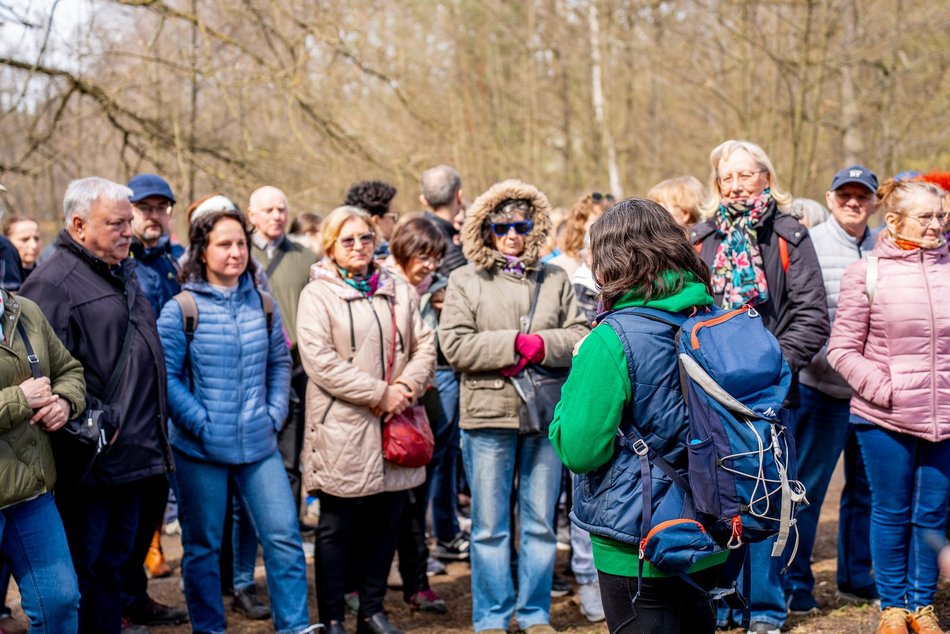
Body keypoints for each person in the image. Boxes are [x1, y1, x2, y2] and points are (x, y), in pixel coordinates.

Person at [550, 197, 729, 633]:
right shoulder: (714, 319)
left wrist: (577, 378)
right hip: (716, 527)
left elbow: (579, 449)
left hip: (638, 543)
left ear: (609, 262)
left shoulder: (609, 340)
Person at [20, 177, 174, 634]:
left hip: (136, 456)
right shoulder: (51, 284)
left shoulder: (121, 270)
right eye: (117, 223)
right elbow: (41, 375)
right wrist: (91, 429)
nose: (130, 230)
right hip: (90, 465)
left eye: (130, 221)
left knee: (113, 566)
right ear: (79, 224)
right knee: (85, 572)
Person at [689, 140, 830, 634]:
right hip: (710, 391)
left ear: (766, 178)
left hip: (770, 391)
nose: (735, 185)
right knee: (716, 494)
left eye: (745, 175)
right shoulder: (701, 239)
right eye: (726, 177)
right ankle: (722, 602)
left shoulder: (789, 236)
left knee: (768, 499)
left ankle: (765, 608)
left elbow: (812, 317)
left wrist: (772, 367)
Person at [157, 207, 316, 634]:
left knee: (283, 540)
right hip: (200, 448)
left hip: (258, 444)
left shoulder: (263, 305)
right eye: (224, 244)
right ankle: (209, 629)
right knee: (203, 548)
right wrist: (202, 423)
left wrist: (272, 413)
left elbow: (280, 364)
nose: (235, 252)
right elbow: (166, 378)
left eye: (241, 244)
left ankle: (295, 627)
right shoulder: (181, 309)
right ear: (202, 251)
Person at [439, 180, 588, 634]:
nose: (512, 235)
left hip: (544, 416)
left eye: (522, 226)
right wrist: (510, 345)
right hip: (487, 416)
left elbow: (581, 336)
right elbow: (455, 346)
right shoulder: (465, 280)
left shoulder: (556, 278)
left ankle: (534, 613)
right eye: (502, 227)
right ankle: (492, 615)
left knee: (541, 523)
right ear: (486, 229)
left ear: (534, 228)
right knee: (488, 526)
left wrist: (540, 345)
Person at [297, 205, 436, 634]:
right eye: (348, 239)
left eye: (365, 238)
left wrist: (404, 390)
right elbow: (319, 361)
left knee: (385, 522)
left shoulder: (397, 288)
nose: (358, 247)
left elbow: (425, 345)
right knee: (337, 527)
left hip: (395, 426)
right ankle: (334, 616)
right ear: (331, 246)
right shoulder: (317, 295)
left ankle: (372, 610)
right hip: (343, 425)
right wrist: (380, 393)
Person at [829, 177, 950, 634]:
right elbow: (841, 349)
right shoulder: (867, 273)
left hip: (944, 418)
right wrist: (886, 390)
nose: (936, 224)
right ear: (894, 221)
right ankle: (893, 607)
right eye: (926, 217)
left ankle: (922, 606)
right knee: (891, 511)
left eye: (941, 215)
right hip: (885, 418)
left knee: (932, 514)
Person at [785, 166, 880, 614]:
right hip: (820, 388)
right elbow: (806, 315)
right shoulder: (812, 244)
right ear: (830, 197)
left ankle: (856, 577)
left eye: (863, 196)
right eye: (846, 195)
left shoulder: (886, 245)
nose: (854, 203)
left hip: (874, 395)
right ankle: (795, 584)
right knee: (807, 492)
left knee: (865, 491)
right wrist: (832, 361)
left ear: (876, 203)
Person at [246, 185, 318, 615]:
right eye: (268, 209)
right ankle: (243, 559)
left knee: (290, 462)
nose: (276, 215)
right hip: (248, 369)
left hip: (296, 370)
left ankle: (284, 537)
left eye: (282, 208)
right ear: (251, 214)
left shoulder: (304, 259)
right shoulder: (236, 255)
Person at [122, 172, 188, 627]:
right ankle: (117, 602)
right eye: (145, 208)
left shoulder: (175, 261)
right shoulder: (118, 261)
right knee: (124, 512)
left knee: (153, 503)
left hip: (173, 400)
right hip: (132, 402)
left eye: (161, 207)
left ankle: (137, 595)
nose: (153, 216)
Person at [0, 287, 86, 631]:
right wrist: (20, 398)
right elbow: (25, 396)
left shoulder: (26, 311)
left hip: (31, 494)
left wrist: (64, 402)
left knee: (60, 602)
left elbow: (70, 370)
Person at [383, 214, 450, 613]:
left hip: (424, 404)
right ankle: (363, 582)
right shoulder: (382, 286)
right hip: (383, 401)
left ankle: (417, 581)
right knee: (380, 502)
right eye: (423, 256)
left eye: (436, 258)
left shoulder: (440, 293)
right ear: (403, 251)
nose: (430, 266)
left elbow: (437, 347)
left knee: (415, 498)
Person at [418, 165, 469, 562]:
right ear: (460, 195)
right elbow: (449, 298)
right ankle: (440, 535)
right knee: (439, 450)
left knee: (443, 450)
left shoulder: (430, 232)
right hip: (440, 361)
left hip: (441, 359)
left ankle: (443, 530)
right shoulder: (446, 242)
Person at [548, 192, 610, 278]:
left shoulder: (607, 264)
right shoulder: (557, 266)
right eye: (595, 221)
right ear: (580, 223)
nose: (601, 227)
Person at [344, 180, 399, 257]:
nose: (395, 224)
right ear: (375, 221)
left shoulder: (342, 256)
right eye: (393, 217)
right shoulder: (390, 257)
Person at [2, 215, 41, 279]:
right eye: (25, 239)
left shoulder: (47, 275)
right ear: (7, 241)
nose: (34, 245)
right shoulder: (3, 280)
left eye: (36, 238)